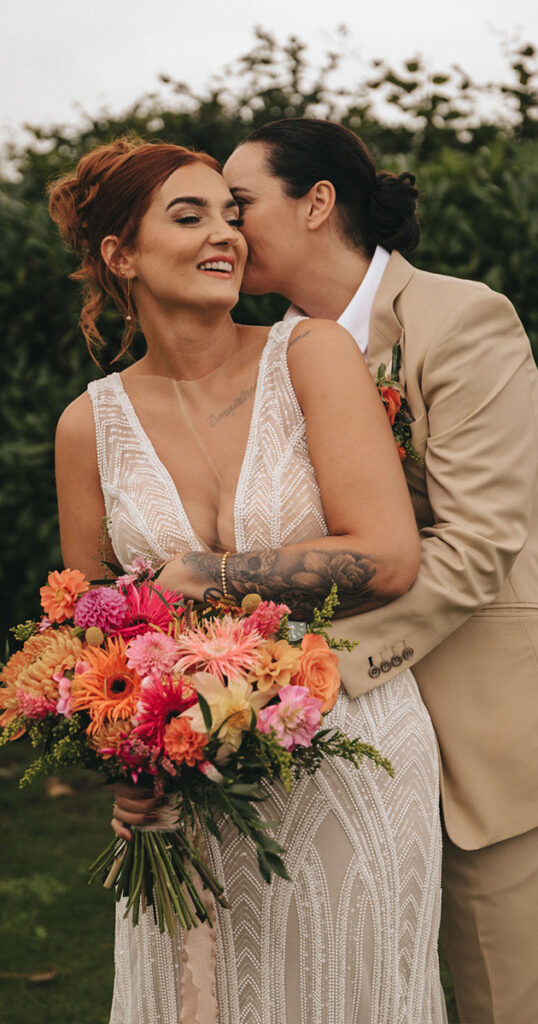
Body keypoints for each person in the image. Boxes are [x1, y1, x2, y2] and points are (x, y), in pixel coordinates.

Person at [49, 136, 448, 1024]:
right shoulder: (90, 427)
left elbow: (388, 554)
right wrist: (127, 764)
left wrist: (207, 576)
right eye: (188, 217)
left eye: (230, 215)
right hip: (188, 793)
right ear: (122, 255)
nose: (223, 235)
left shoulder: (309, 355)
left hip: (351, 753)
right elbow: (91, 643)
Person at [222, 116, 538, 1024]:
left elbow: (479, 540)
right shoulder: (259, 360)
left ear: (317, 202)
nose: (222, 230)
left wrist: (320, 667)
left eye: (240, 205)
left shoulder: (461, 317)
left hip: (481, 731)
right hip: (323, 752)